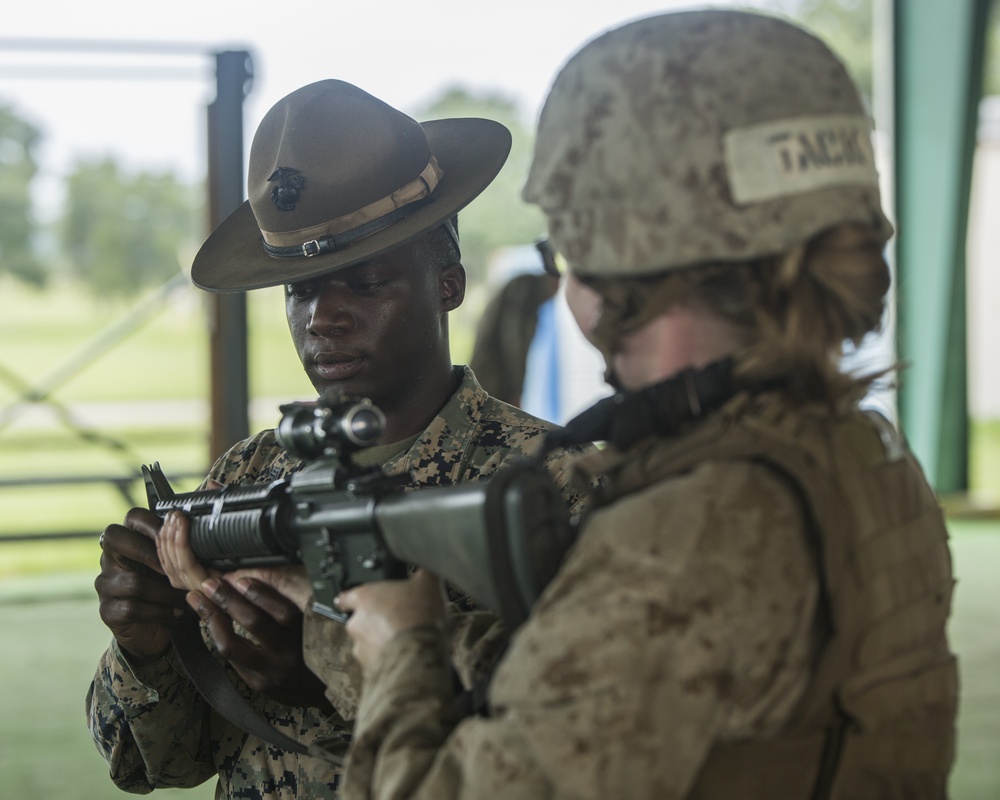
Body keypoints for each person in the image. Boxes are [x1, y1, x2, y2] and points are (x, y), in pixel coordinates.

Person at [289, 11, 958, 798]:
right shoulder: (860, 454)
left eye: (569, 247)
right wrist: (379, 628)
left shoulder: (690, 529)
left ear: (620, 258)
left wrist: (401, 653)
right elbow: (611, 687)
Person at [86, 79, 592, 799]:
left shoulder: (552, 483)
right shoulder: (251, 473)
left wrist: (324, 680)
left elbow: (578, 756)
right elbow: (156, 765)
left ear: (448, 283)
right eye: (300, 290)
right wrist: (144, 645)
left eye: (364, 282)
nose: (323, 318)